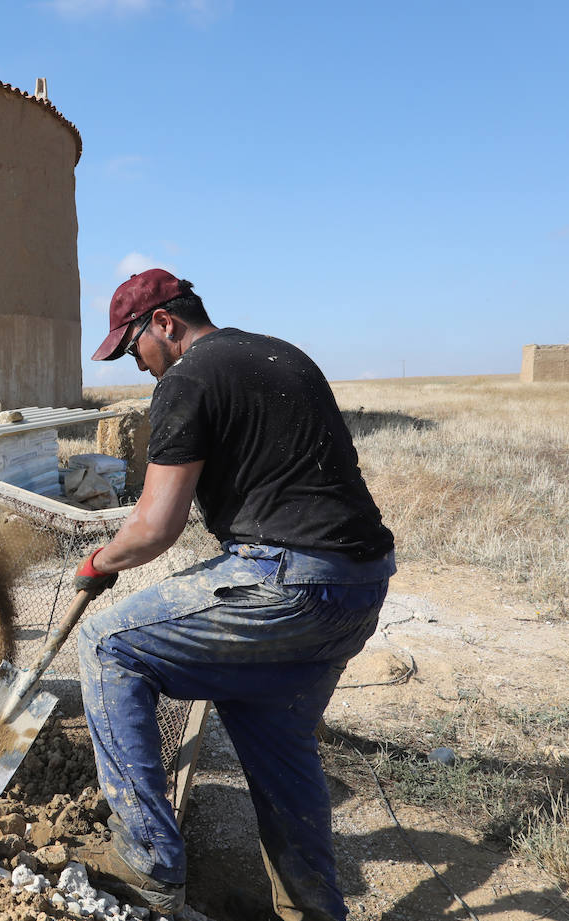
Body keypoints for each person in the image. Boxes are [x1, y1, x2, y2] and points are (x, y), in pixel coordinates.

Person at [71, 268, 395, 920]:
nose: (137, 365)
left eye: (133, 346)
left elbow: (156, 524)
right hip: (359, 587)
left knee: (105, 643)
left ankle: (148, 859)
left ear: (164, 322)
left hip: (289, 581)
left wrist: (99, 562)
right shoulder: (283, 356)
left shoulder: (188, 378)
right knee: (272, 731)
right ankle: (313, 910)